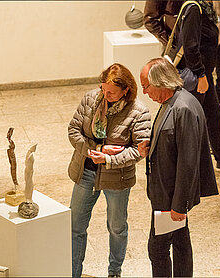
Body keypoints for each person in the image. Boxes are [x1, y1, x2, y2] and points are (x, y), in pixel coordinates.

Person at [68, 63, 151, 278]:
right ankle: (73, 273)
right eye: (103, 89)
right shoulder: (90, 99)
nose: (106, 95)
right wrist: (96, 149)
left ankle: (114, 272)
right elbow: (73, 131)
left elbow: (139, 151)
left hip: (117, 178)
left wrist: (108, 159)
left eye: (112, 92)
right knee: (75, 227)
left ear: (126, 90)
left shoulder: (138, 112)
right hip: (85, 171)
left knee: (117, 227)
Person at [138, 57, 218, 277]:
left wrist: (179, 205)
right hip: (167, 193)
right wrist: (152, 143)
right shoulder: (171, 102)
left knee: (158, 249)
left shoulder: (183, 108)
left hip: (170, 196)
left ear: (161, 82)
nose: (144, 92)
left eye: (146, 86)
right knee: (180, 243)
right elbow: (172, 140)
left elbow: (188, 162)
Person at [144, 0, 220, 172]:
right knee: (186, 121)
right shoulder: (193, 8)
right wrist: (200, 74)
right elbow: (190, 46)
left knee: (212, 113)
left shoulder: (202, 9)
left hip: (200, 72)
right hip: (194, 74)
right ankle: (179, 164)